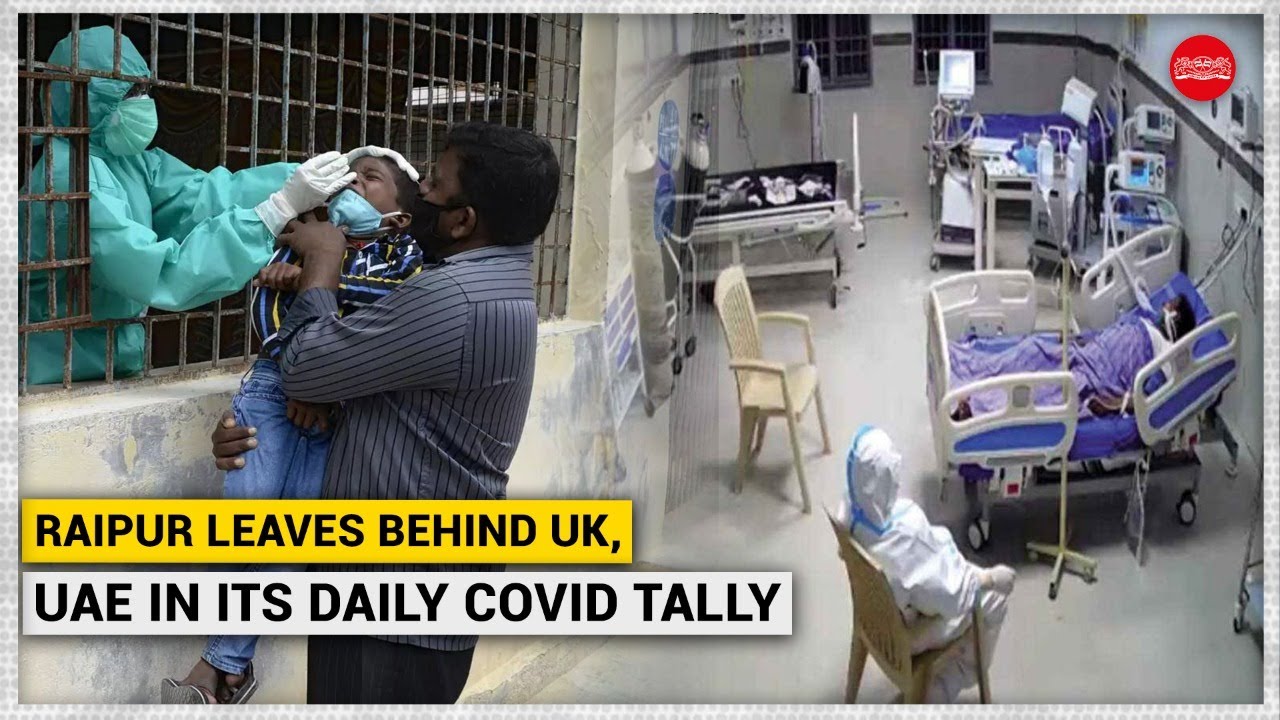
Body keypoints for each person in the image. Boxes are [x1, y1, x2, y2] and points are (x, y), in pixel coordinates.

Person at [207, 122, 561, 704]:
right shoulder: (489, 283)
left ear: (462, 221)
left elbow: (307, 367)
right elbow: (362, 391)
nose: (423, 192)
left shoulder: (452, 297)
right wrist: (260, 430)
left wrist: (324, 258)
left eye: (435, 184)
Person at [159, 153, 425, 705]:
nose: (353, 182)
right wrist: (304, 352)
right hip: (272, 388)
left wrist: (312, 276)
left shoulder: (402, 256)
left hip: (336, 406)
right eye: (349, 174)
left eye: (370, 178)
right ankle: (228, 668)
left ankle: (221, 668)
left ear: (399, 216)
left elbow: (389, 308)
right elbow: (263, 306)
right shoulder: (305, 232)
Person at [22, 27, 354, 385]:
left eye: (144, 88)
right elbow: (162, 273)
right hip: (49, 368)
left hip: (105, 360)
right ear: (86, 98)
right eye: (129, 91)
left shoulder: (127, 160)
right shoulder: (68, 177)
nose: (142, 101)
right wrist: (273, 212)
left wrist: (314, 173)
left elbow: (206, 195)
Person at [837, 425, 1015, 704]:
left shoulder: (851, 507)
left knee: (966, 576)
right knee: (994, 600)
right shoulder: (907, 539)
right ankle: (943, 686)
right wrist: (990, 578)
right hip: (907, 635)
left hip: (874, 616)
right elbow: (955, 597)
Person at [950, 294, 1197, 421]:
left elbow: (1149, 398)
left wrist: (1114, 404)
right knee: (1033, 348)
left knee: (1047, 388)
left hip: (1095, 378)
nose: (1164, 305)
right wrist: (1074, 339)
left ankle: (977, 408)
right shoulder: (1143, 320)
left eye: (1170, 305)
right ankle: (967, 368)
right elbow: (1103, 334)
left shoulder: (1165, 356)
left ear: (1175, 317)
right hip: (1083, 353)